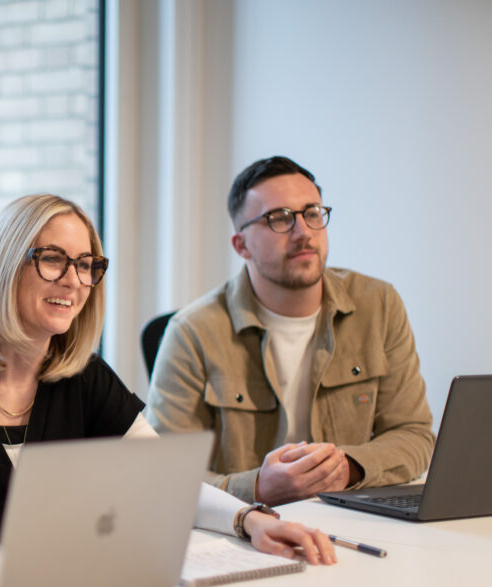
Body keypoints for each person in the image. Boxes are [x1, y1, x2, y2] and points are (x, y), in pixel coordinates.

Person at [0, 194, 335, 581]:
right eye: (53, 258)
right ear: (5, 264)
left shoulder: (82, 376)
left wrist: (251, 519)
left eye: (86, 264)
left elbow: (165, 481)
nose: (73, 280)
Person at [146, 155, 435, 505]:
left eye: (312, 213)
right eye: (279, 219)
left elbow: (414, 435)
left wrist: (349, 467)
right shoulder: (193, 332)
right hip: (247, 531)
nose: (303, 233)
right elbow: (164, 474)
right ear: (242, 246)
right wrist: (256, 488)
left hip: (353, 521)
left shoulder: (379, 305)